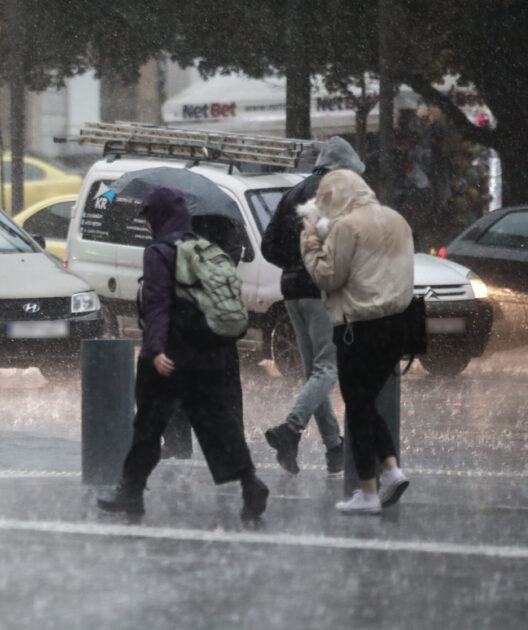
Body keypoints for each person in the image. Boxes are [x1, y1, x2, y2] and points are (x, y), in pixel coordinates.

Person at [98, 186, 268, 521]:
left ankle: (130, 493)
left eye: (148, 217)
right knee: (218, 422)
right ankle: (251, 483)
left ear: (158, 216)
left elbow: (158, 305)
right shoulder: (203, 248)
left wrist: (156, 350)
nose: (147, 225)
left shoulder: (160, 251)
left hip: (173, 354)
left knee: (147, 425)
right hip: (210, 351)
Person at [300, 169, 414, 515]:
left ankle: (368, 490)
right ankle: (390, 471)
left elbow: (327, 276)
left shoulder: (347, 227)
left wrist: (310, 241)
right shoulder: (397, 220)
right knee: (365, 403)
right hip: (399, 325)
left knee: (358, 405)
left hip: (360, 327)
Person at [259, 137, 365, 475]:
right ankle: (290, 430)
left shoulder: (294, 192)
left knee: (314, 370)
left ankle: (335, 448)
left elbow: (268, 245)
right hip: (322, 289)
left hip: (292, 289)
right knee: (328, 366)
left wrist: (294, 264)